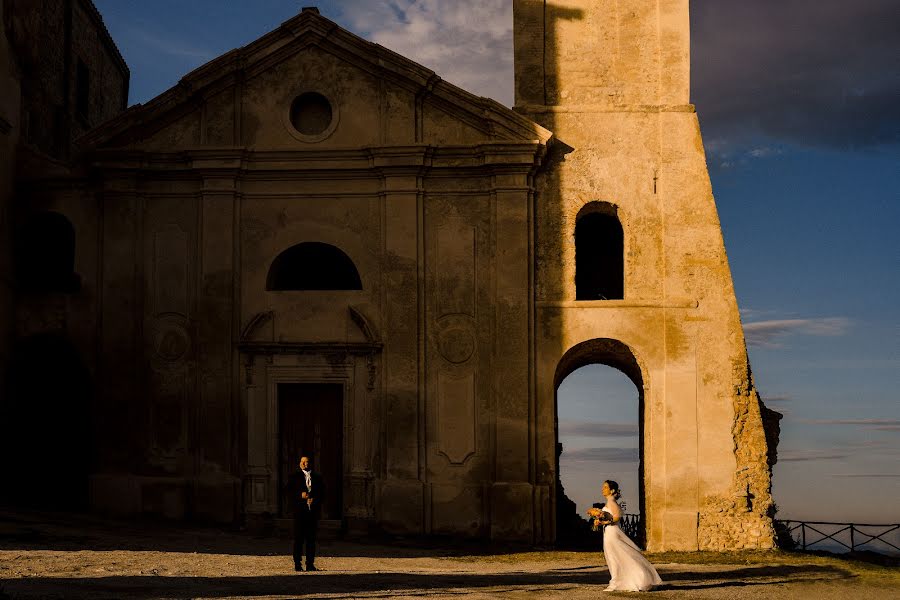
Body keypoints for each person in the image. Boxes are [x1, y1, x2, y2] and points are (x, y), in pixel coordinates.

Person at [594, 480, 662, 592]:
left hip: (612, 532)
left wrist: (603, 522)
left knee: (615, 556)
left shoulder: (612, 502)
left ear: (612, 490)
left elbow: (616, 517)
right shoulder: (609, 502)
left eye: (605, 487)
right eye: (603, 487)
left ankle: (616, 582)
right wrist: (599, 519)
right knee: (615, 556)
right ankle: (620, 580)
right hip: (609, 532)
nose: (603, 489)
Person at [287, 455, 325, 572]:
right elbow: (288, 492)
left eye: (307, 462)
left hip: (312, 513)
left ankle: (310, 564)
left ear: (310, 463)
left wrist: (315, 499)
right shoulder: (294, 477)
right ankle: (297, 564)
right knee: (298, 539)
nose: (305, 464)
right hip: (299, 513)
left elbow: (323, 493)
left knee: (311, 540)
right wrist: (300, 495)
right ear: (299, 463)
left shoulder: (317, 478)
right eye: (303, 462)